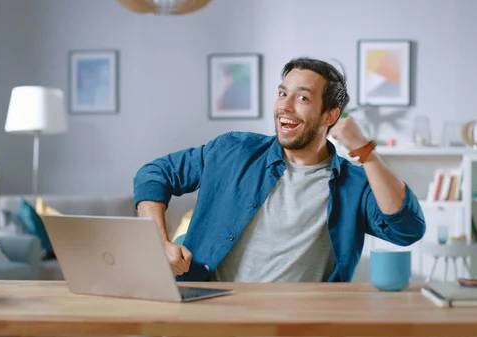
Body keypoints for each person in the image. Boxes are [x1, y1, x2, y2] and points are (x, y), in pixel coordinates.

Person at [133, 57, 426, 283]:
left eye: (302, 98)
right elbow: (154, 174)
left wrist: (365, 151)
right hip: (212, 315)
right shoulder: (232, 150)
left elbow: (407, 229)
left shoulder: (354, 184)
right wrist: (159, 242)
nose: (284, 106)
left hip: (300, 324)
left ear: (330, 115)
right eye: (282, 93)